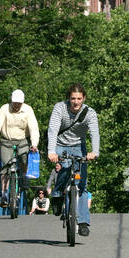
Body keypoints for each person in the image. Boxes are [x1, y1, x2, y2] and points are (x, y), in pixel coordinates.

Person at [47, 84, 99, 237]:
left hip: (78, 146)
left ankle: (83, 222)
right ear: (68, 98)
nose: (76, 102)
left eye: (79, 99)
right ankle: (57, 195)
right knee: (63, 170)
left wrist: (94, 152)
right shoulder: (59, 108)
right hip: (60, 145)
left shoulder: (89, 113)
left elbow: (94, 133)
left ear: (84, 98)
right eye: (72, 99)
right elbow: (53, 130)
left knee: (81, 183)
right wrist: (51, 152)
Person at [0, 88, 39, 208]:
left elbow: (33, 127)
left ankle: (24, 176)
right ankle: (4, 193)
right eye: (15, 103)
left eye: (19, 103)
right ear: (11, 101)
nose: (16, 106)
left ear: (22, 102)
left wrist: (34, 144)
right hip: (6, 140)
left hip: (23, 140)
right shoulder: (4, 109)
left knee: (24, 158)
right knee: (5, 166)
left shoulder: (28, 110)